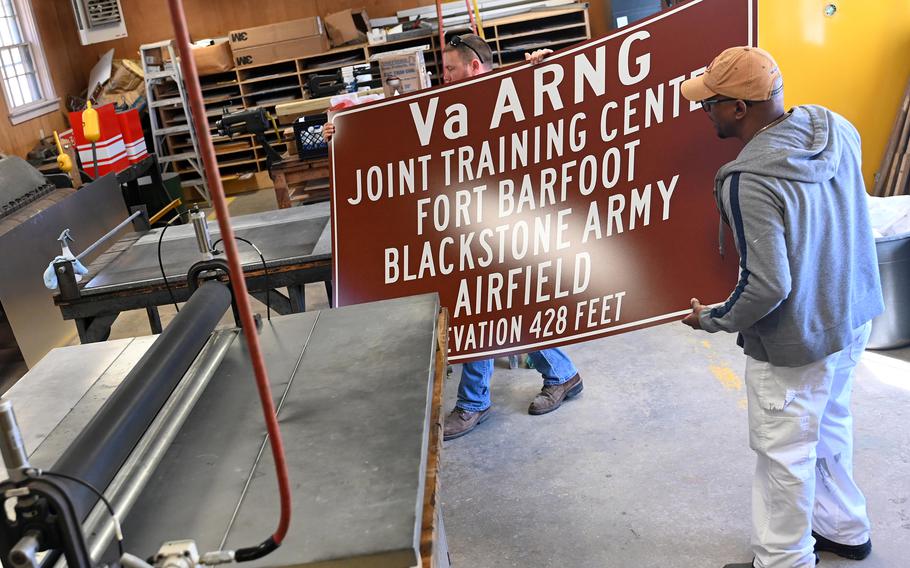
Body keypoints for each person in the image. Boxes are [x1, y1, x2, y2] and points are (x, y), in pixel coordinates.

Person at [679, 46, 884, 568]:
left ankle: (784, 561)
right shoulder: (834, 127)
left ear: (739, 109)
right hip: (850, 314)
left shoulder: (749, 178)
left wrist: (714, 319)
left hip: (797, 341)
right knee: (831, 423)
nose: (705, 112)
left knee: (783, 455)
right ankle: (844, 528)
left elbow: (767, 286)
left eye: (711, 104)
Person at [324, 34, 584, 441]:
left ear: (474, 67)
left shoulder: (513, 91)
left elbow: (572, 101)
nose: (442, 77)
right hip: (473, 222)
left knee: (485, 307)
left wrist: (546, 68)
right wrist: (347, 135)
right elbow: (402, 135)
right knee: (498, 307)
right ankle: (562, 374)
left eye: (450, 69)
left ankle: (475, 402)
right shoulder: (450, 107)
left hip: (515, 218)